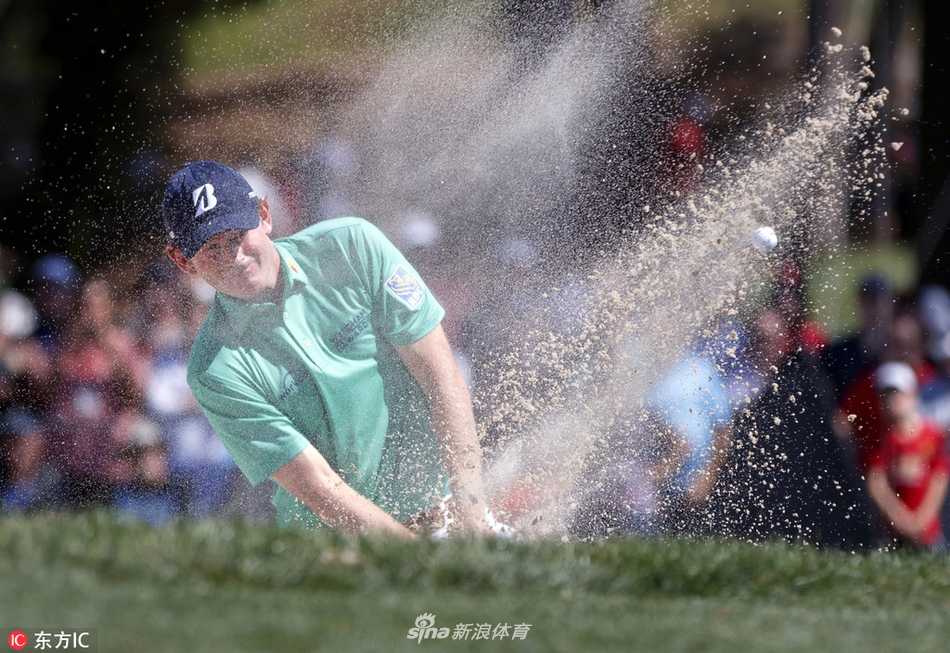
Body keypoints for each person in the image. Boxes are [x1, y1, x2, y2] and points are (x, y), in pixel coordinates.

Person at [161, 161, 495, 538]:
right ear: (181, 260)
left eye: (237, 235)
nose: (232, 256)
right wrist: (420, 561)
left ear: (264, 214)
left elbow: (439, 375)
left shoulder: (353, 245)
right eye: (211, 248)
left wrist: (472, 513)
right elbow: (321, 488)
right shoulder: (213, 371)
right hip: (344, 551)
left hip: (447, 511)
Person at [867, 362, 949, 551]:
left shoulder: (932, 435)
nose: (892, 401)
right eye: (885, 396)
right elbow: (876, 481)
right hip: (893, 531)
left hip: (929, 531)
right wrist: (899, 518)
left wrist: (921, 520)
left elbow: (939, 479)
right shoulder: (882, 440)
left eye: (898, 394)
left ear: (913, 395)